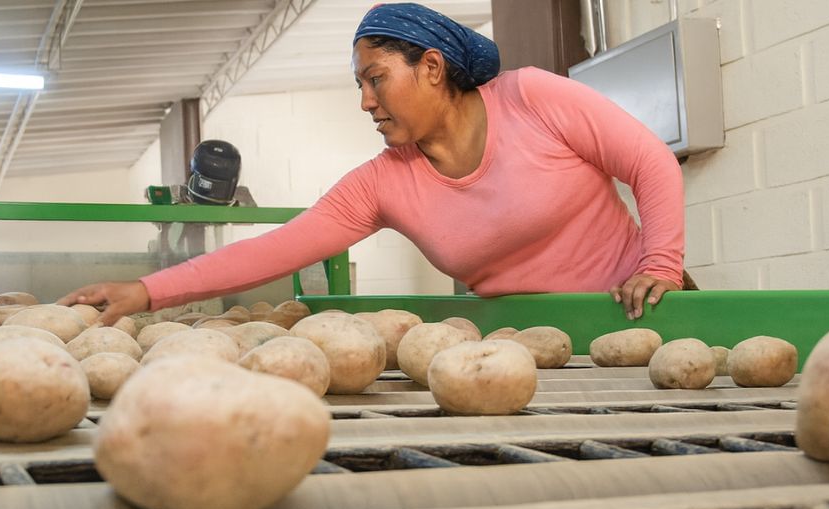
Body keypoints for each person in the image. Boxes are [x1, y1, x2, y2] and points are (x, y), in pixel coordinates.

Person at [61, 2, 686, 324]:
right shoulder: (384, 184)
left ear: (433, 69)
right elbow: (276, 250)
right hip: (524, 343)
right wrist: (146, 291)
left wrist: (661, 262)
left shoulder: (533, 98)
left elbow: (650, 161)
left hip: (645, 310)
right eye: (359, 85)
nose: (365, 102)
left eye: (376, 80)